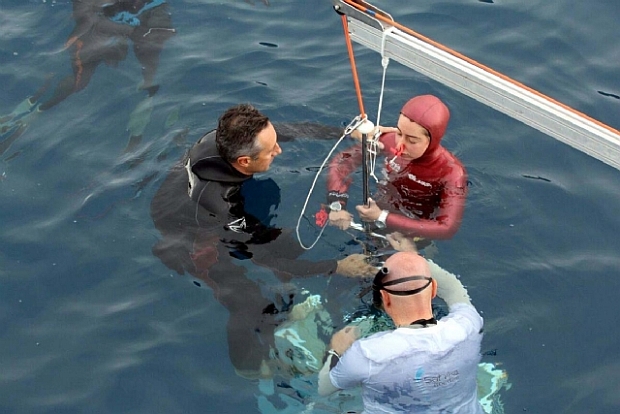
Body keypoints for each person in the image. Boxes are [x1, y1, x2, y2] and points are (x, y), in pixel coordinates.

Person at [150, 104, 376, 379]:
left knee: (283, 245)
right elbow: (263, 257)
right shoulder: (221, 204)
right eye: (271, 150)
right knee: (247, 300)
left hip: (194, 197)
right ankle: (249, 367)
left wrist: (346, 133)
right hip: (188, 230)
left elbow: (289, 130)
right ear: (245, 161)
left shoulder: (230, 137)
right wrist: (336, 266)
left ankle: (286, 307)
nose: (279, 150)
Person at [317, 233, 484, 413]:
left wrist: (335, 350)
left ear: (385, 298)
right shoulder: (468, 326)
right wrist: (413, 258)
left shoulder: (368, 354)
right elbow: (453, 288)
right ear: (434, 289)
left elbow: (324, 388)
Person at [325, 94, 467, 240]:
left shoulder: (451, 173)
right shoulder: (389, 141)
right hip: (373, 213)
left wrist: (383, 217)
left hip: (414, 231)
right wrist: (337, 204)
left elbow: (447, 228)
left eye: (412, 140)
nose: (400, 145)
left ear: (433, 140)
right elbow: (341, 163)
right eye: (399, 133)